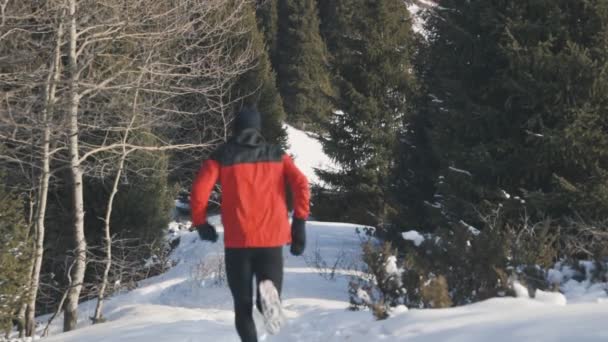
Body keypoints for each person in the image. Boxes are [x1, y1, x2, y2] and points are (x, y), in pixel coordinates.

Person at [190, 108, 310, 342]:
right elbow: (301, 183)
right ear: (258, 129)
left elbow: (199, 191)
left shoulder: (222, 155)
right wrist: (299, 221)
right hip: (272, 238)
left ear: (236, 128)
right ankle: (267, 297)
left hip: (238, 241)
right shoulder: (277, 154)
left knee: (242, 306)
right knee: (267, 290)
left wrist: (201, 222)